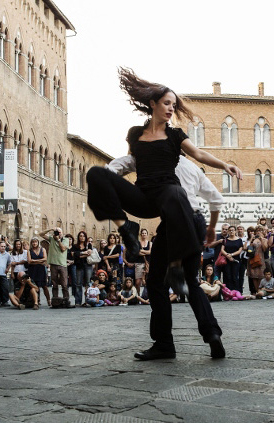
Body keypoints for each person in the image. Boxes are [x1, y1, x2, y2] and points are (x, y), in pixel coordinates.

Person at [86, 67, 241, 300]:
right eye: (167, 103)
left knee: (176, 194)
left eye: (174, 105)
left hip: (168, 192)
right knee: (96, 174)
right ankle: (127, 227)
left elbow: (198, 154)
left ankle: (176, 266)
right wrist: (112, 176)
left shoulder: (176, 135)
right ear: (153, 103)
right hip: (143, 196)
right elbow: (134, 159)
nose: (171, 109)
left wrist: (224, 165)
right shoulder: (135, 133)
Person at [107, 149, 229, 361]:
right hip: (196, 220)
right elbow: (216, 200)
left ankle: (164, 344)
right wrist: (211, 228)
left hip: (174, 221)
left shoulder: (152, 158)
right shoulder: (192, 167)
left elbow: (113, 168)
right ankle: (212, 333)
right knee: (191, 281)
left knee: (156, 283)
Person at [40, 227, 73, 306]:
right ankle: (55, 301)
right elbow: (41, 234)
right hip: (53, 264)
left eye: (59, 232)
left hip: (62, 264)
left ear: (62, 233)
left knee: (64, 284)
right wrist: (50, 229)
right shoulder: (51, 239)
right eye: (57, 232)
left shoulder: (66, 240)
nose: (58, 234)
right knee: (54, 283)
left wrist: (58, 240)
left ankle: (66, 300)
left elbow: (62, 249)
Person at [71, 231, 93, 306]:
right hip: (79, 266)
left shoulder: (88, 245)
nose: (82, 237)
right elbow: (73, 255)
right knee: (78, 284)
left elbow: (89, 253)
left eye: (83, 236)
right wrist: (84, 253)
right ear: (78, 237)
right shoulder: (75, 246)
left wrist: (79, 254)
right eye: (80, 236)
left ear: (86, 237)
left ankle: (88, 301)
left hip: (88, 265)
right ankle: (78, 301)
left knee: (88, 283)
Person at [27, 237, 50, 307]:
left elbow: (45, 259)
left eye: (35, 242)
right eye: (33, 242)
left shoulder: (43, 249)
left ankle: (49, 300)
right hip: (33, 269)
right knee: (34, 285)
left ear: (38, 242)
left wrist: (35, 261)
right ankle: (37, 300)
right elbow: (29, 261)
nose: (34, 243)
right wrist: (40, 261)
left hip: (41, 269)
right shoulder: (29, 251)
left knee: (44, 286)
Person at [246, 226, 268, 295]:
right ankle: (256, 291)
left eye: (260, 230)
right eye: (257, 230)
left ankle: (260, 290)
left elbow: (265, 249)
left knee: (261, 275)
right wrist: (251, 239)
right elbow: (247, 248)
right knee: (254, 275)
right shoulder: (253, 239)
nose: (259, 232)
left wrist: (261, 239)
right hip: (253, 258)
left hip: (261, 258)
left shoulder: (265, 239)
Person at [221, 225, 243, 292]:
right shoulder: (225, 240)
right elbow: (222, 250)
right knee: (228, 276)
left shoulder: (239, 240)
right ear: (228, 231)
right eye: (230, 230)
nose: (231, 232)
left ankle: (236, 291)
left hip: (236, 260)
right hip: (227, 260)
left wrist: (232, 255)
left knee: (235, 276)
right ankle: (228, 291)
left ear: (235, 231)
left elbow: (240, 250)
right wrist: (227, 255)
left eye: (232, 230)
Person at [133, 229, 152, 295]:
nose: (144, 234)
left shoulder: (150, 243)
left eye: (145, 233)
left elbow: (150, 252)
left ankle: (149, 296)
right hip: (139, 263)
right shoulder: (137, 243)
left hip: (148, 263)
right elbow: (137, 253)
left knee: (149, 280)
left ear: (147, 234)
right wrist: (145, 252)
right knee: (138, 282)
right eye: (142, 233)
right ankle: (138, 296)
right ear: (140, 235)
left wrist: (142, 251)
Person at [0, 241, 11, 307]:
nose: (3, 248)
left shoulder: (7, 254)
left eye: (4, 246)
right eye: (2, 246)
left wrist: (7, 269)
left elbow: (10, 262)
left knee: (5, 287)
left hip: (3, 273)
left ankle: (5, 301)